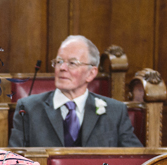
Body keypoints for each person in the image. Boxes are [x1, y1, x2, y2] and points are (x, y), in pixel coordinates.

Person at [9, 35, 141, 148]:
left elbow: (134, 161)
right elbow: (14, 162)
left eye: (72, 63)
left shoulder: (115, 112)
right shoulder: (29, 108)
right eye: (59, 61)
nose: (62, 68)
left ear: (91, 73)